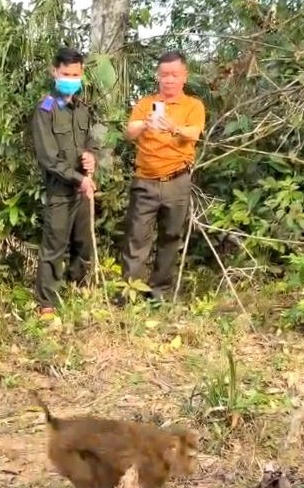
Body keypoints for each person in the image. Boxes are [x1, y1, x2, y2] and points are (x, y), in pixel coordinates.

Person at [119, 50, 205, 303]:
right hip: (145, 180)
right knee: (137, 238)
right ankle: (131, 293)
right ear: (158, 76)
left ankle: (160, 293)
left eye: (174, 75)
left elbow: (194, 133)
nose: (169, 80)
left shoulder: (193, 105)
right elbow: (129, 132)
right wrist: (146, 123)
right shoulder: (146, 104)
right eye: (164, 75)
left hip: (177, 181)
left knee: (170, 238)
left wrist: (173, 127)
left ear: (184, 76)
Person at [30, 47, 101, 320]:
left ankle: (81, 289)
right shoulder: (45, 109)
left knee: (84, 243)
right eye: (65, 74)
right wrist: (79, 179)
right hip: (61, 191)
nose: (70, 78)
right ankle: (47, 303)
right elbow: (49, 158)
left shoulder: (83, 110)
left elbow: (93, 141)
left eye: (75, 74)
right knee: (54, 246)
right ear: (55, 72)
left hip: (83, 190)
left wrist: (92, 157)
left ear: (82, 74)